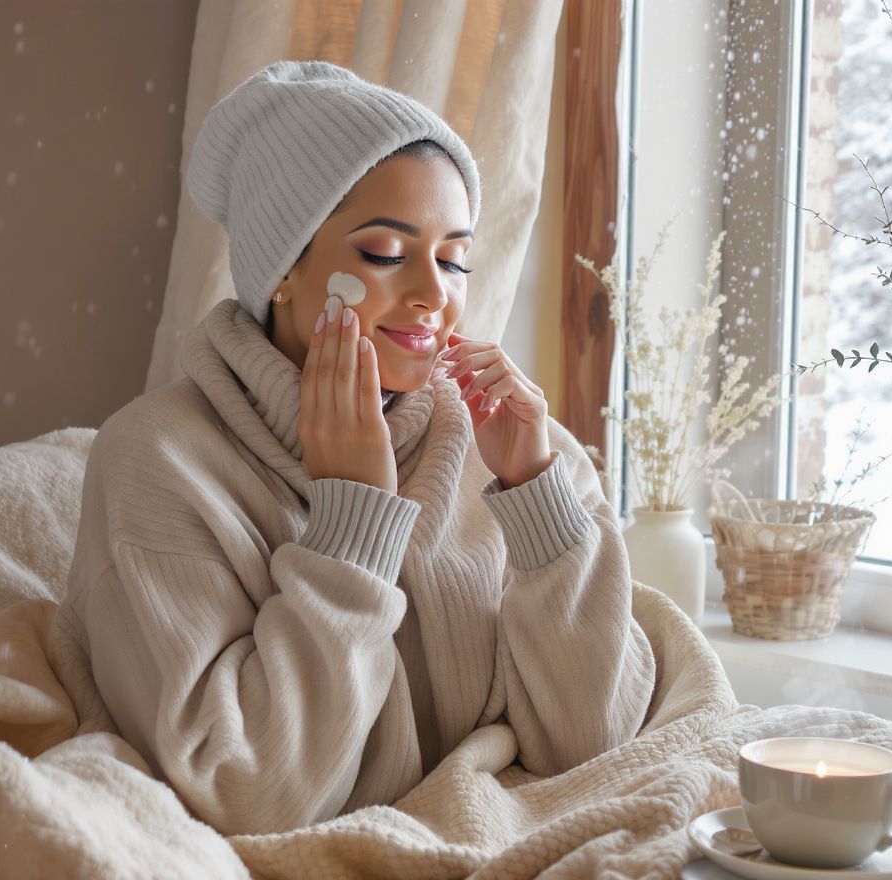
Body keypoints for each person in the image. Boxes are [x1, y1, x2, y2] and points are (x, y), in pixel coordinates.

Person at [54, 60, 656, 837]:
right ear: (283, 270)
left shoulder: (512, 443)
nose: (434, 294)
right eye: (383, 252)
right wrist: (351, 525)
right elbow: (245, 795)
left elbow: (596, 746)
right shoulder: (156, 458)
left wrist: (540, 495)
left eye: (453, 259)